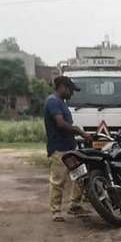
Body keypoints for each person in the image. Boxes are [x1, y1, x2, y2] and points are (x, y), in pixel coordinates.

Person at [44, 76, 93, 221]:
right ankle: (56, 212)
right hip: (59, 149)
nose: (72, 94)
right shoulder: (53, 102)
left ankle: (75, 205)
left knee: (80, 175)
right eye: (71, 90)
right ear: (63, 87)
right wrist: (79, 131)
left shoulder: (62, 103)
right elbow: (60, 124)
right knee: (58, 181)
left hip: (70, 147)